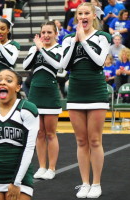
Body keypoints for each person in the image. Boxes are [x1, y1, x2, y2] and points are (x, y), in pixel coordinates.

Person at [60, 3, 111, 198]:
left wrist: (83, 40)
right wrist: (75, 41)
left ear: (93, 16)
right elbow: (64, 66)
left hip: (96, 92)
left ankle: (96, 183)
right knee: (81, 141)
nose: (83, 16)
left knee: (95, 140)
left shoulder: (102, 37)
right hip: (76, 92)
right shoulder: (67, 39)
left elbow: (99, 62)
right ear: (76, 17)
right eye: (79, 13)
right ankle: (84, 183)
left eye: (86, 13)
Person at [0, 69, 39, 200]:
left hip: (20, 177)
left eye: (8, 80)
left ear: (18, 87)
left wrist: (16, 182)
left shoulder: (27, 109)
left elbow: (29, 149)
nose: (2, 83)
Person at [23, 21, 62, 180]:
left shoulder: (59, 48)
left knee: (51, 133)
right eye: (43, 32)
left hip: (50, 92)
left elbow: (57, 65)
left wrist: (41, 49)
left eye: (49, 32)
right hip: (35, 92)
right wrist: (36, 49)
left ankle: (51, 168)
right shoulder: (34, 49)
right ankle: (42, 166)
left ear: (55, 34)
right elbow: (26, 66)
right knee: (39, 133)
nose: (46, 35)